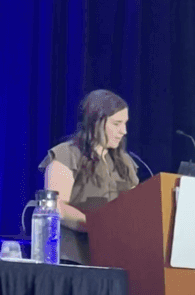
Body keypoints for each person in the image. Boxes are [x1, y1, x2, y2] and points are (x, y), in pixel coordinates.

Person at [39, 89, 141, 265]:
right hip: (73, 258)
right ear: (95, 122)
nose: (123, 131)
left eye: (125, 124)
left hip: (116, 259)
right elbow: (56, 206)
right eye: (116, 124)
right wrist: (96, 226)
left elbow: (135, 208)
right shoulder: (66, 154)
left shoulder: (126, 163)